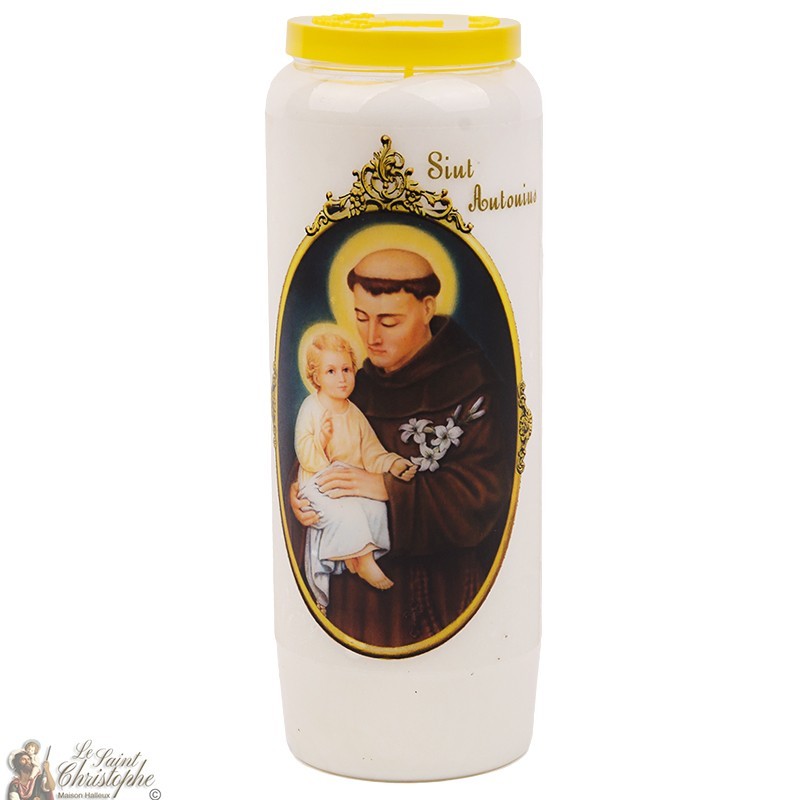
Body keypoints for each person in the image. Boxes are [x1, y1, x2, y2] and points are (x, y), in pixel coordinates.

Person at [289, 247, 517, 648]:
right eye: (361, 318)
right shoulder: (354, 386)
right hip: (353, 607)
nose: (371, 337)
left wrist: (385, 487)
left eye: (389, 321)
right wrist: (298, 495)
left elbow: (484, 494)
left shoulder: (473, 386)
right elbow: (319, 447)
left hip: (436, 598)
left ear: (427, 309)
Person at [295, 330, 417, 609]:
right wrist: (320, 441)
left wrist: (392, 463)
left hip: (348, 482)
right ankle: (362, 561)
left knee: (375, 507)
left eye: (347, 369)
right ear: (315, 377)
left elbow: (371, 452)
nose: (342, 378)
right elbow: (305, 454)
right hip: (318, 481)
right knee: (348, 512)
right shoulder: (311, 408)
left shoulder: (353, 412)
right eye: (331, 371)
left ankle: (357, 556)